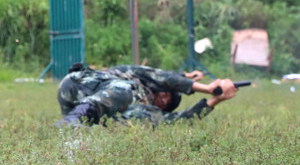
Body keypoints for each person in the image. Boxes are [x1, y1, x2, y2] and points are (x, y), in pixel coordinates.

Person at [56, 63, 239, 127]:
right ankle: (74, 120)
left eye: (168, 103)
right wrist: (206, 88)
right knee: (123, 89)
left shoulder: (149, 111)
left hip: (86, 117)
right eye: (167, 94)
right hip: (76, 86)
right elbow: (161, 77)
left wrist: (216, 100)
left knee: (138, 120)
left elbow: (181, 120)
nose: (165, 99)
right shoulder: (135, 77)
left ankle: (72, 127)